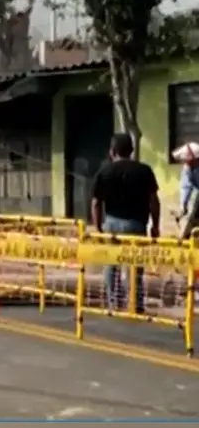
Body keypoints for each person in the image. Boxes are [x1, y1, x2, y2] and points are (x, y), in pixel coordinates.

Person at [91, 132, 160, 313]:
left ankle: (114, 303)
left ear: (112, 151)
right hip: (136, 224)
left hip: (112, 223)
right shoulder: (144, 170)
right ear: (132, 150)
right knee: (135, 265)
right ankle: (135, 304)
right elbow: (153, 200)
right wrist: (156, 225)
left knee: (111, 265)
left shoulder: (104, 171)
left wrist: (98, 227)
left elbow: (96, 202)